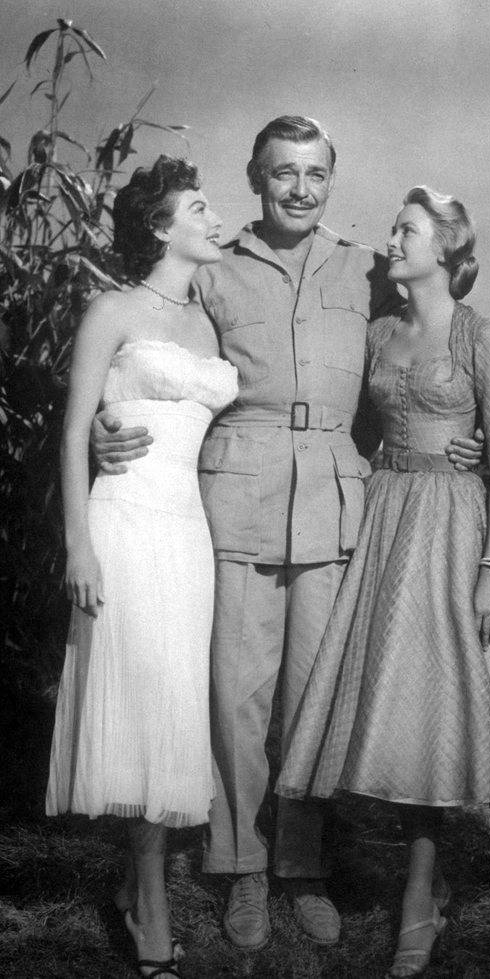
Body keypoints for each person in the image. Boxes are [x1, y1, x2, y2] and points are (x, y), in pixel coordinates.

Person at [91, 118, 484, 950]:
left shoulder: (365, 269)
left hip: (336, 504)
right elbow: (145, 347)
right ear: (255, 178)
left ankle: (302, 866)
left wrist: (459, 430)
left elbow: (427, 344)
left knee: (314, 700)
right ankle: (238, 863)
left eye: (315, 174)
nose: (300, 190)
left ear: (331, 180)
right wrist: (103, 422)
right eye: (283, 174)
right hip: (237, 497)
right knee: (238, 698)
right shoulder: (215, 267)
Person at [276, 186, 490, 979]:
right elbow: (359, 428)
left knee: (441, 702)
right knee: (401, 702)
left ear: (445, 246)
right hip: (386, 519)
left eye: (406, 229)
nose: (391, 239)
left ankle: (418, 889)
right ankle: (419, 877)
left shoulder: (483, 335)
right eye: (393, 228)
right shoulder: (378, 331)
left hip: (455, 529)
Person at [46, 156, 239, 979]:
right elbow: (73, 431)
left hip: (187, 535)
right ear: (161, 226)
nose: (215, 217)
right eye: (199, 207)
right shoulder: (112, 309)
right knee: (138, 703)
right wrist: (78, 544)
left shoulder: (210, 321)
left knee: (171, 701)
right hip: (122, 524)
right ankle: (152, 910)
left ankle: (136, 883)